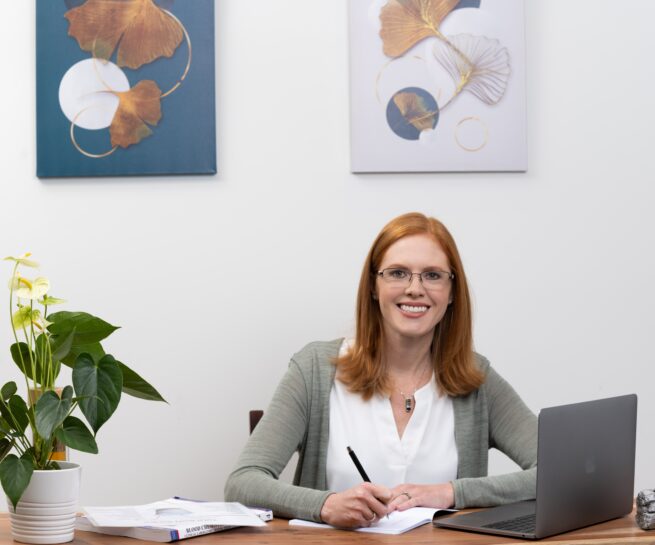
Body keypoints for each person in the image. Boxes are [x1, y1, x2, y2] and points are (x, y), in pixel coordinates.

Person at [224, 212, 537, 528]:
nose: (415, 289)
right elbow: (244, 482)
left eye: (432, 275)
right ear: (373, 286)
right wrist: (325, 505)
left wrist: (452, 493)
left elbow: (560, 472)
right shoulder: (314, 370)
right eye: (398, 273)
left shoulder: (477, 380)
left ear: (452, 292)